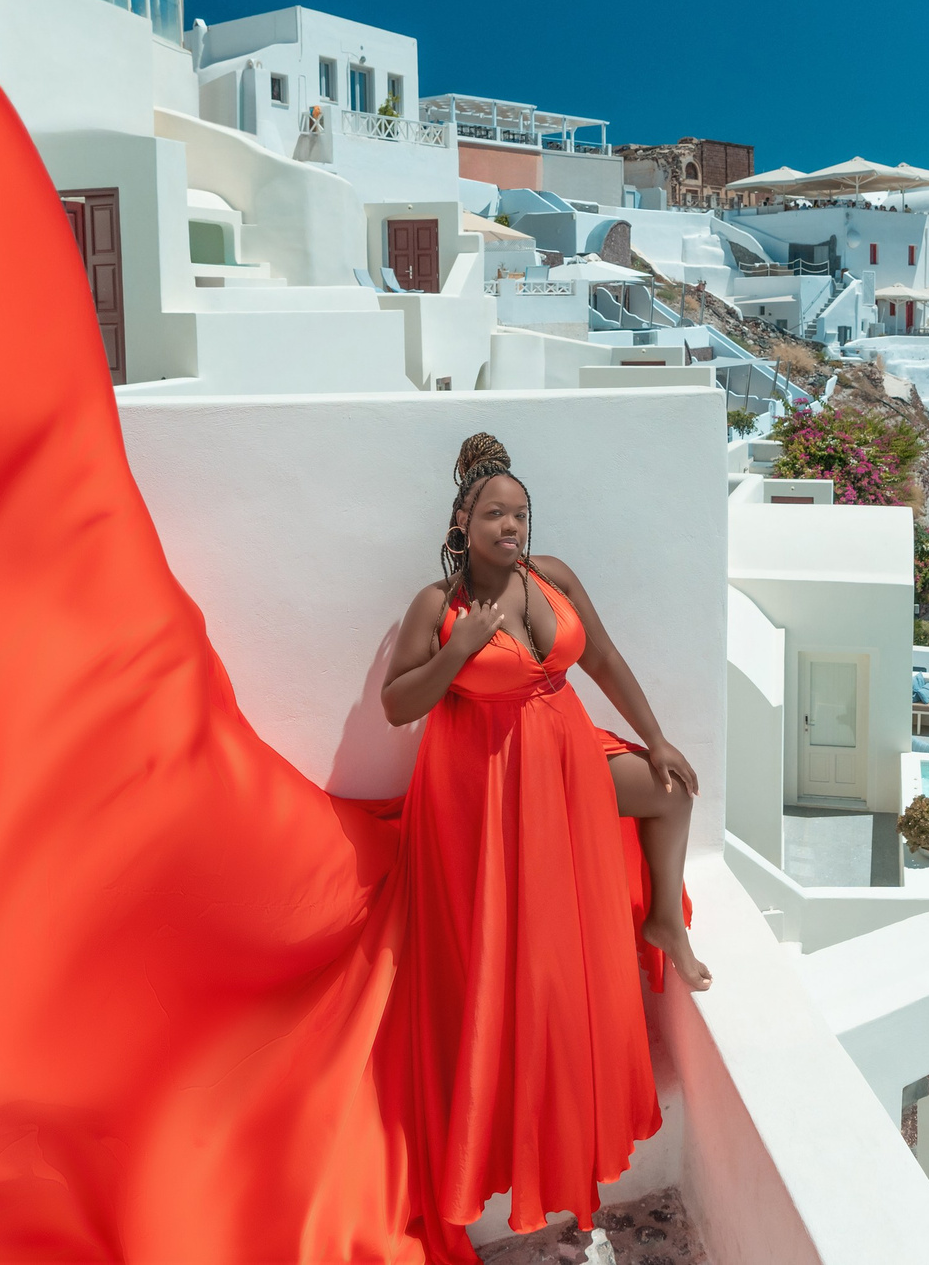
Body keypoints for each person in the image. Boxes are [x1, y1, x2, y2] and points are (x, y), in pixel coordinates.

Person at [380, 433, 707, 1255]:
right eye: (495, 513)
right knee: (526, 963)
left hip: (569, 753)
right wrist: (456, 651)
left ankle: (664, 918)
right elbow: (395, 705)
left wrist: (655, 735)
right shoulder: (438, 605)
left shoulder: (552, 578)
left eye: (520, 513)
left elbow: (600, 656)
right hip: (485, 793)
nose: (511, 525)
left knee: (667, 792)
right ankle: (519, 1110)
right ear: (462, 522)